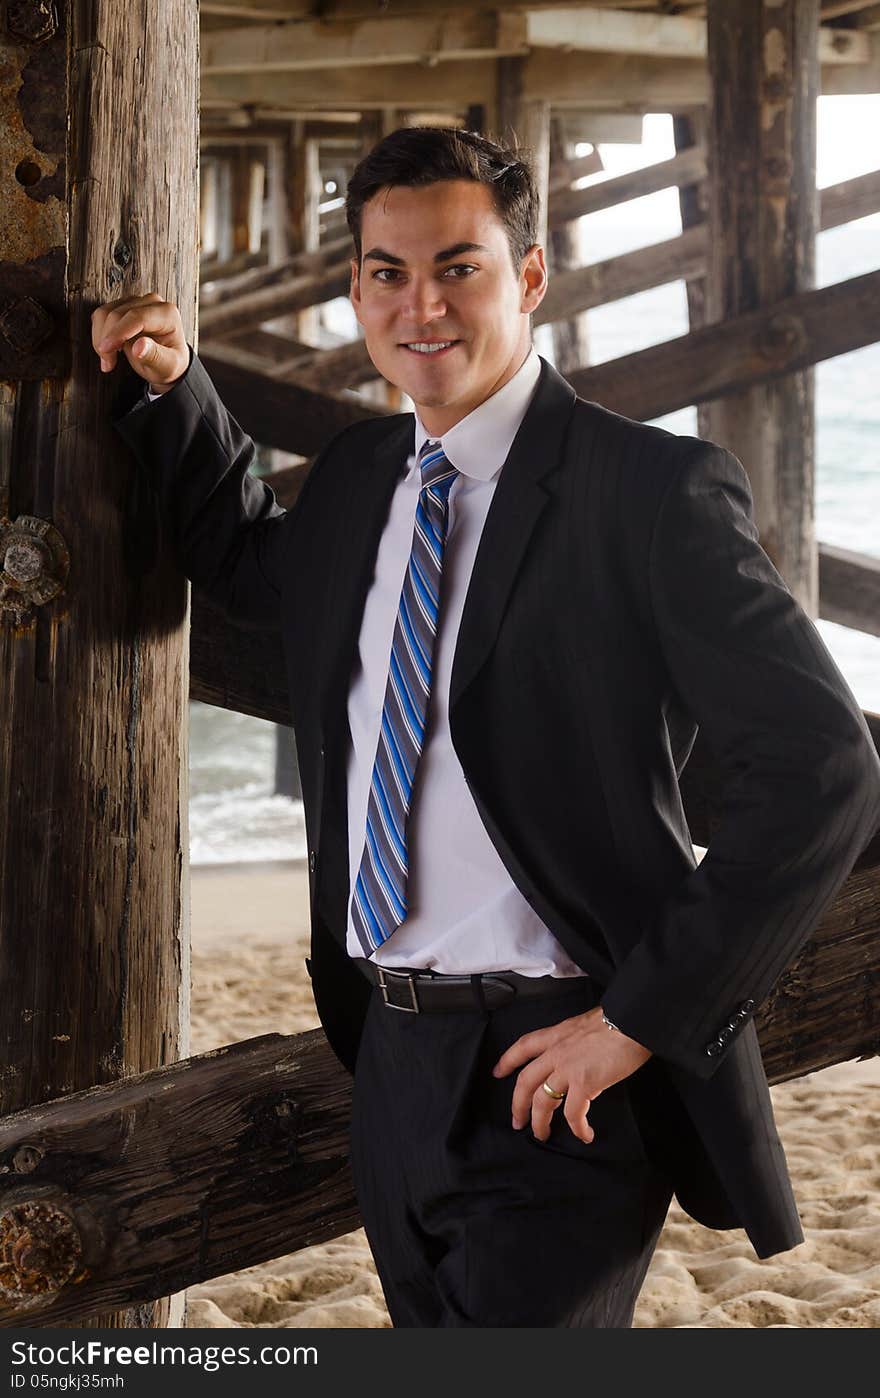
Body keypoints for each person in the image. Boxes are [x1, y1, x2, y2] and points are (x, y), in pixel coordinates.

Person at [94, 126, 880, 1328]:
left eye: (458, 267)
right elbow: (252, 568)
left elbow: (822, 765)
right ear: (356, 284)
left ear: (527, 276)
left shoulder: (649, 492)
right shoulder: (363, 476)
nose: (421, 308)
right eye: (386, 273)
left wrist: (637, 1023)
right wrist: (170, 386)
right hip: (389, 1053)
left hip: (558, 1066)